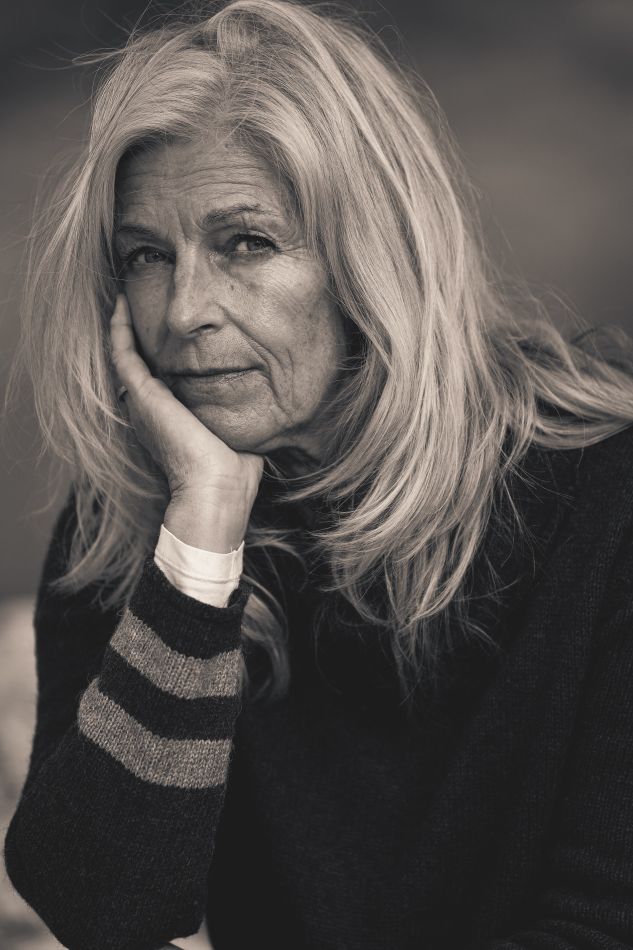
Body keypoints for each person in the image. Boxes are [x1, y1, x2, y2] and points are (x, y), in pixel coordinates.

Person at [4, 1, 633, 948]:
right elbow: (104, 912)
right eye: (146, 255)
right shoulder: (146, 512)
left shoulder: (603, 496)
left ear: (369, 257)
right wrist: (202, 543)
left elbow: (602, 921)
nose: (183, 310)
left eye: (246, 243)